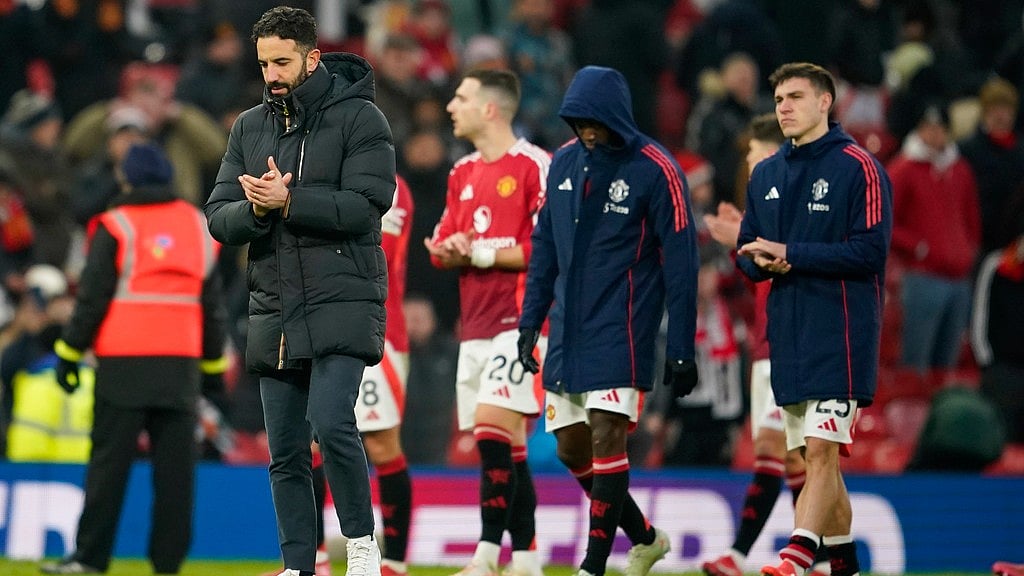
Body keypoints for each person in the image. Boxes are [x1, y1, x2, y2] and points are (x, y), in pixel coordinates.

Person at [204, 6, 396, 576]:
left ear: (313, 57)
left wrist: (288, 201)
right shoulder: (248, 126)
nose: (271, 74)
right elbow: (218, 216)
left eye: (282, 61)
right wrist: (257, 212)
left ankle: (361, 549)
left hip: (342, 297)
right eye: (263, 62)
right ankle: (297, 566)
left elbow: (367, 206)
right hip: (275, 303)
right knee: (284, 449)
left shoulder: (363, 119)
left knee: (332, 421)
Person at [517, 65, 699, 576]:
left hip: (624, 326)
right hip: (567, 328)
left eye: (595, 120)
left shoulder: (656, 169)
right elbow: (545, 245)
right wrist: (530, 320)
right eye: (578, 121)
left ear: (617, 115)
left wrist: (683, 346)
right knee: (572, 444)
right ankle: (645, 538)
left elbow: (682, 263)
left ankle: (593, 566)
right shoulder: (564, 163)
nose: (587, 130)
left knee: (606, 436)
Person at [39, 142, 228, 575]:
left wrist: (68, 353)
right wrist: (213, 369)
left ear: (126, 179)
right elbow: (211, 307)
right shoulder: (198, 226)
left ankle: (88, 559)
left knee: (109, 468)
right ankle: (167, 565)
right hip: (180, 367)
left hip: (123, 363)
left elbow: (92, 299)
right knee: (176, 476)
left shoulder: (116, 224)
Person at [735, 62, 892, 576]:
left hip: (842, 332)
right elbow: (747, 250)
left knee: (822, 449)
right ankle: (844, 566)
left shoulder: (858, 167)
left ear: (825, 102)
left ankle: (798, 556)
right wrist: (757, 260)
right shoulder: (767, 174)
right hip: (790, 334)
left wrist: (793, 254)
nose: (783, 107)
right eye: (778, 98)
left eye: (795, 97)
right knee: (816, 460)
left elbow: (870, 251)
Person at [423, 68, 548, 576]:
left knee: (493, 434)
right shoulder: (461, 173)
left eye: (462, 97)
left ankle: (485, 556)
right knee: (507, 447)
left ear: (490, 109)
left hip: (519, 321)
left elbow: (545, 250)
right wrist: (449, 250)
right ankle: (527, 557)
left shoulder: (536, 166)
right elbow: (441, 245)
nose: (452, 105)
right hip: (472, 325)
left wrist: (476, 256)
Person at [701, 114, 830, 576]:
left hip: (792, 342)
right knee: (788, 454)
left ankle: (742, 555)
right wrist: (744, 239)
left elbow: (791, 257)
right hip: (767, 343)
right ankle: (818, 557)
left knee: (794, 452)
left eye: (755, 154)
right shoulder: (765, 205)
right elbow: (759, 274)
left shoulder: (800, 199)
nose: (749, 163)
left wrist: (742, 238)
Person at [887, 101, 980, 372]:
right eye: (928, 128)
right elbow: (883, 220)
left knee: (948, 363)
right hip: (922, 276)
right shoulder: (903, 169)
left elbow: (971, 215)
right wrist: (917, 248)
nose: (934, 134)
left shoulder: (960, 169)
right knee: (916, 360)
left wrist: (969, 248)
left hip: (958, 280)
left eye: (940, 128)